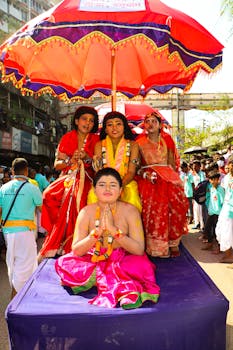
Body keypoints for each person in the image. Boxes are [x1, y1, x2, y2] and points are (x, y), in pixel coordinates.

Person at [55, 167, 160, 309]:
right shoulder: (86, 212)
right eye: (102, 184)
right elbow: (77, 251)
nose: (107, 189)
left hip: (124, 258)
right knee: (64, 262)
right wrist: (96, 234)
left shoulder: (130, 211)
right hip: (95, 257)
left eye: (113, 185)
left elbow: (139, 249)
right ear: (94, 189)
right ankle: (110, 280)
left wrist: (113, 230)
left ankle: (119, 287)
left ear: (121, 190)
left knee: (142, 265)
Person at [38, 106, 99, 261]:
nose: (88, 123)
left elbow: (99, 166)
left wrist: (87, 158)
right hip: (68, 176)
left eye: (91, 121)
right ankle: (57, 237)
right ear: (77, 121)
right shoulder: (67, 137)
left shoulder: (96, 140)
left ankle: (77, 242)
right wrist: (70, 160)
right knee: (47, 195)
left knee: (77, 195)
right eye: (84, 119)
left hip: (89, 178)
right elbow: (57, 164)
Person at [136, 112, 188, 258]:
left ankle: (173, 243)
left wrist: (175, 180)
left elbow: (172, 163)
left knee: (175, 209)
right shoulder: (139, 142)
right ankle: (155, 247)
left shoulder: (167, 139)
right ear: (144, 125)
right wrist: (145, 174)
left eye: (154, 121)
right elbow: (137, 166)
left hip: (168, 178)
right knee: (152, 213)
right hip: (149, 181)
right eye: (147, 121)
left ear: (160, 125)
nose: (150, 124)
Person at [0, 158, 42, 298]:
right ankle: (16, 300)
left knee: (13, 263)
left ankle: (19, 296)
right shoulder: (32, 188)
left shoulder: (4, 188)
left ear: (12, 171)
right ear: (26, 170)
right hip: (25, 232)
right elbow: (42, 208)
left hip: (7, 233)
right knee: (24, 266)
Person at [89, 111, 141, 212]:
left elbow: (131, 172)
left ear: (124, 127)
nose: (114, 128)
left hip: (126, 183)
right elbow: (98, 172)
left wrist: (118, 187)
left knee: (132, 197)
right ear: (105, 129)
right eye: (110, 125)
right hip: (103, 183)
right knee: (92, 196)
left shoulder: (133, 145)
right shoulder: (99, 145)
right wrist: (108, 186)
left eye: (118, 124)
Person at [201, 171, 225, 253]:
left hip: (218, 213)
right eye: (212, 180)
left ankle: (219, 248)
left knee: (217, 231)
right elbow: (209, 200)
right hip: (211, 212)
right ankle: (210, 243)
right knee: (207, 229)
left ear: (218, 180)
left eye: (215, 179)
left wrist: (222, 213)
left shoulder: (220, 189)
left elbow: (222, 202)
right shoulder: (210, 188)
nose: (213, 181)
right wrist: (209, 208)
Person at [216, 155, 233, 263]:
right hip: (226, 207)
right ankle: (228, 254)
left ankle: (230, 256)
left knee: (228, 231)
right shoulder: (226, 178)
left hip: (230, 208)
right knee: (222, 230)